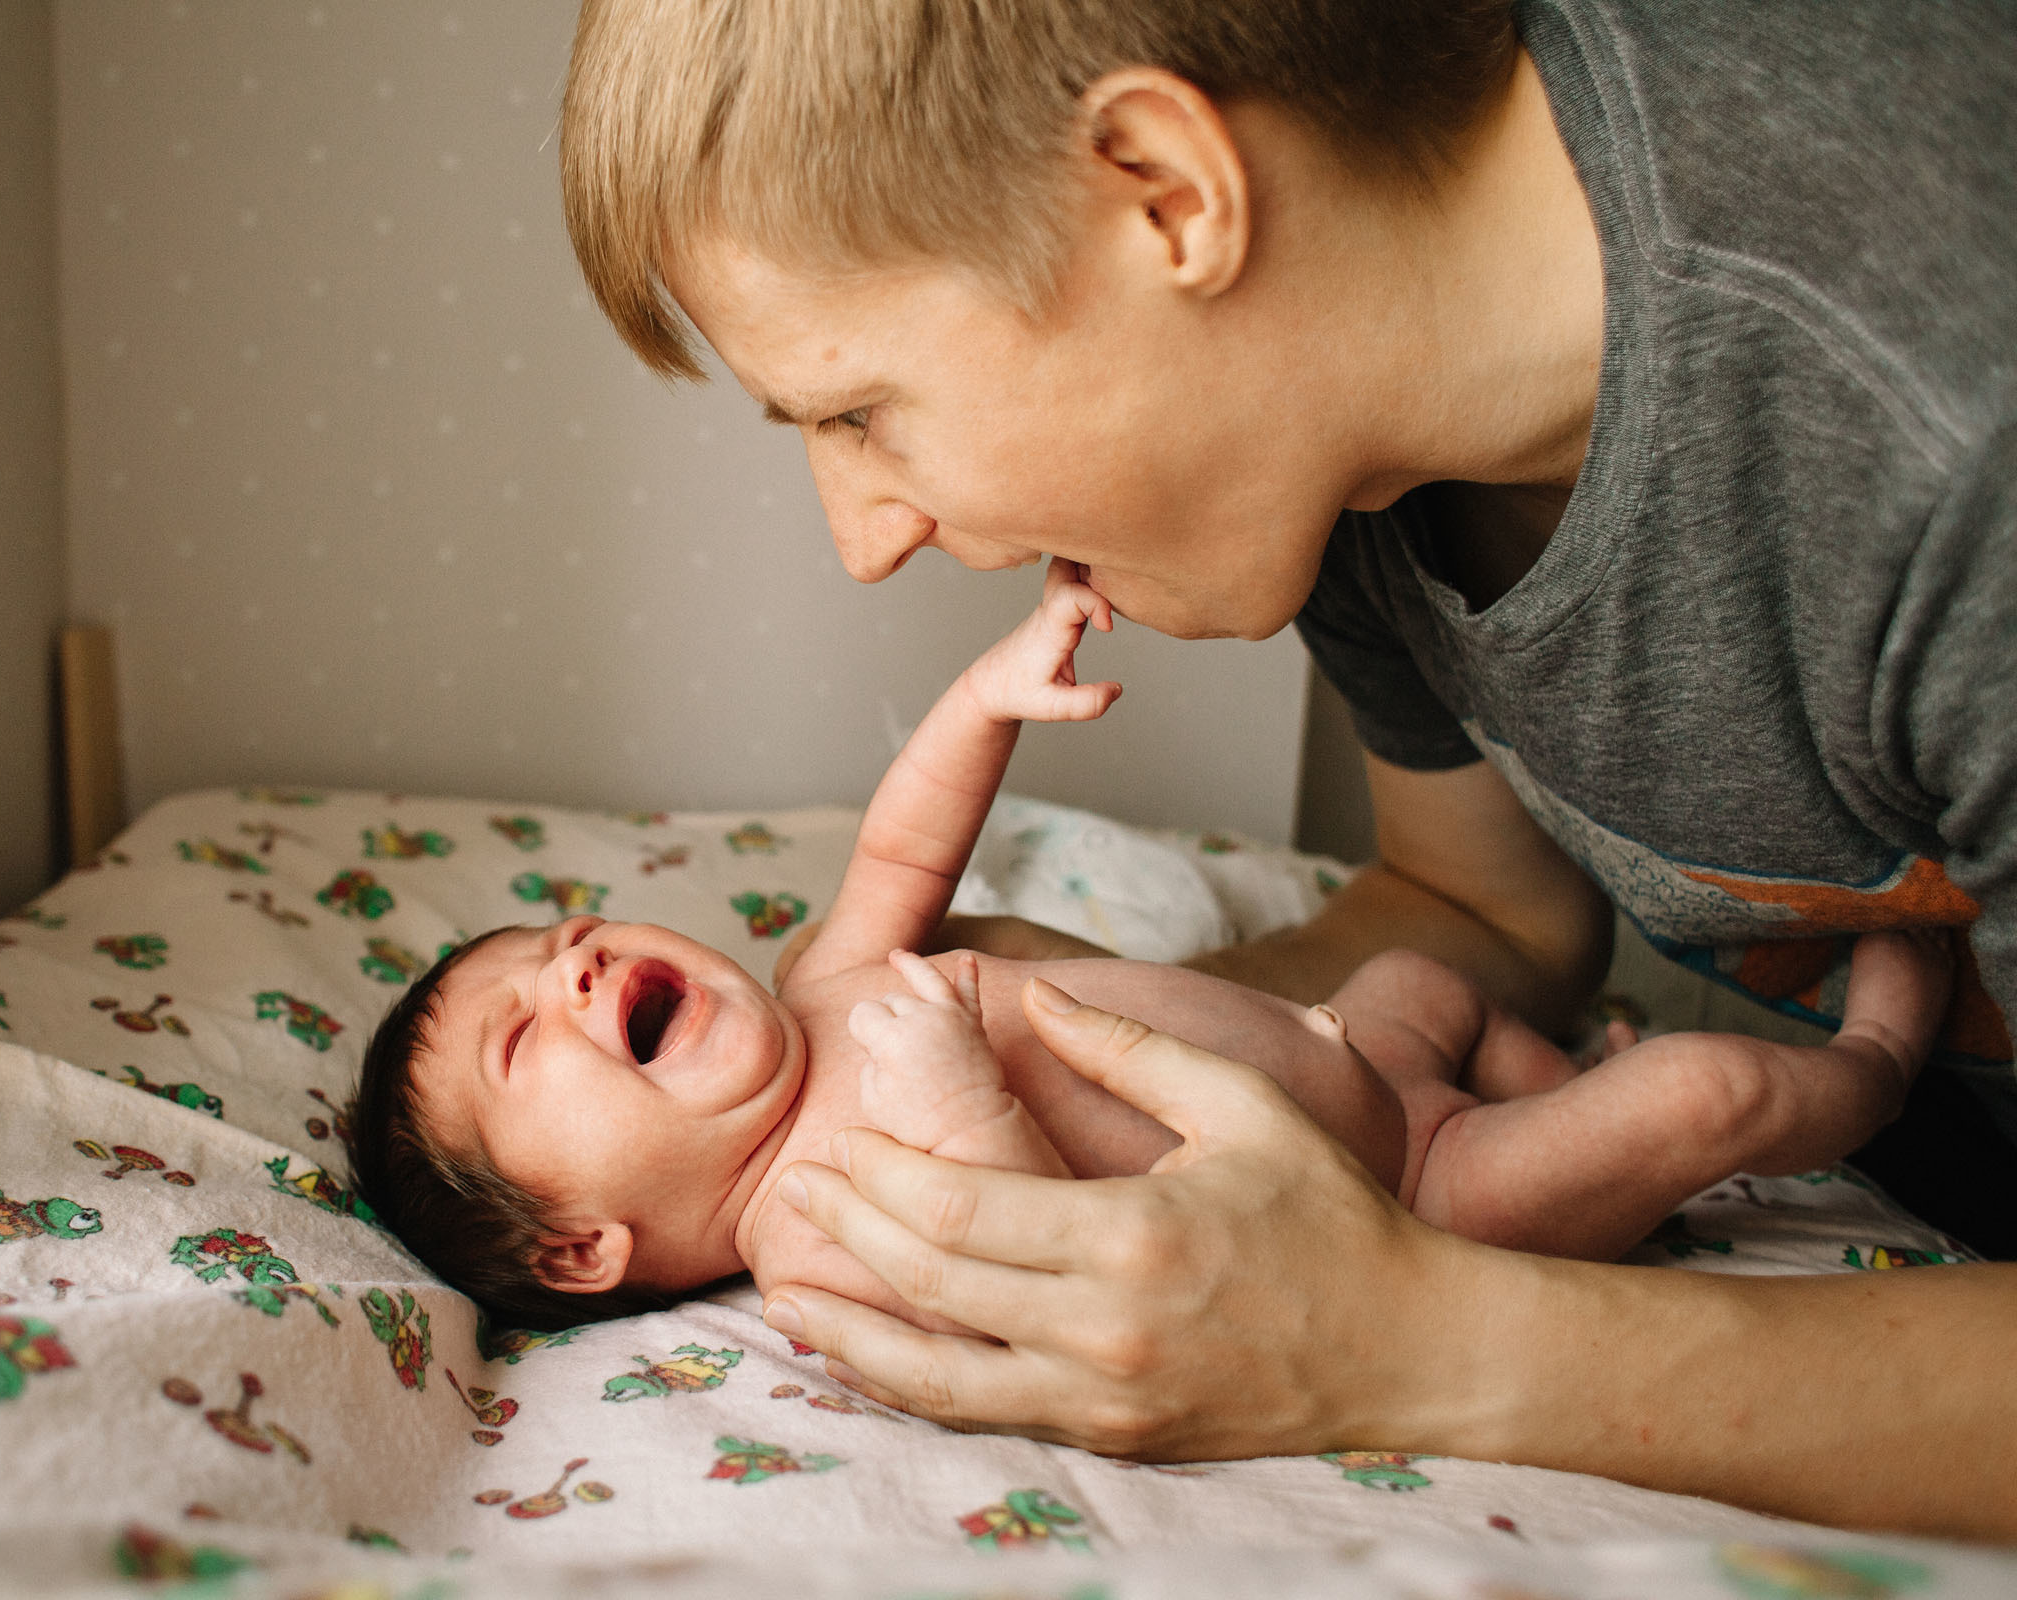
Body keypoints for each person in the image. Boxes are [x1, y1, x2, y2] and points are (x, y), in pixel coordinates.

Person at [558, 0, 2016, 1539]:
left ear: (1168, 194)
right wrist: (1091, 1044)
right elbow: (1480, 914)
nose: (865, 544)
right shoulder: (1349, 430)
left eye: (856, 410)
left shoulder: (1945, 419)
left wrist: (1411, 1344)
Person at [350, 565, 1947, 1332]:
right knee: (1702, 1097)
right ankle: (1869, 1070)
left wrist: (982, 704)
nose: (571, 974)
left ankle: (1557, 1082)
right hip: (1403, 1201)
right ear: (580, 1250)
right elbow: (1061, 1281)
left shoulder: (826, 989)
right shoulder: (819, 1236)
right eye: (522, 1039)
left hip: (1364, 1055)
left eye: (566, 939)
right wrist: (966, 1100)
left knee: (1432, 986)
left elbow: (906, 847)